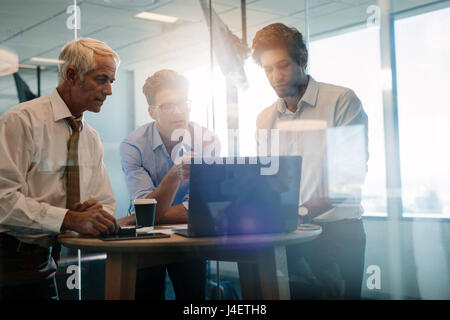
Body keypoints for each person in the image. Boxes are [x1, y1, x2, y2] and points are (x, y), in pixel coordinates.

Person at [252, 23, 368, 299]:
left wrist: (300, 213)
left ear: (302, 59)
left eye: (282, 66)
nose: (275, 77)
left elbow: (348, 178)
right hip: (288, 236)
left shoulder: (341, 100)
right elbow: (267, 181)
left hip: (338, 234)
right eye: (268, 70)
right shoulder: (264, 119)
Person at [0, 38, 120, 300]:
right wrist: (67, 218)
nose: (109, 91)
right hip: (7, 263)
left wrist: (95, 215)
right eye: (102, 79)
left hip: (46, 262)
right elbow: (2, 201)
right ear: (71, 74)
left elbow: (105, 202)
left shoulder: (91, 137)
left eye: (112, 81)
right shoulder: (22, 121)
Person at [118, 69, 220, 299]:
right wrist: (176, 172)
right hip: (146, 238)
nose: (178, 111)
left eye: (183, 103)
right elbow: (147, 210)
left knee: (194, 298)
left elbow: (198, 209)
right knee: (146, 295)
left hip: (189, 237)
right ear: (152, 111)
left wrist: (140, 217)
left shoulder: (208, 141)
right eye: (167, 105)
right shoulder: (132, 146)